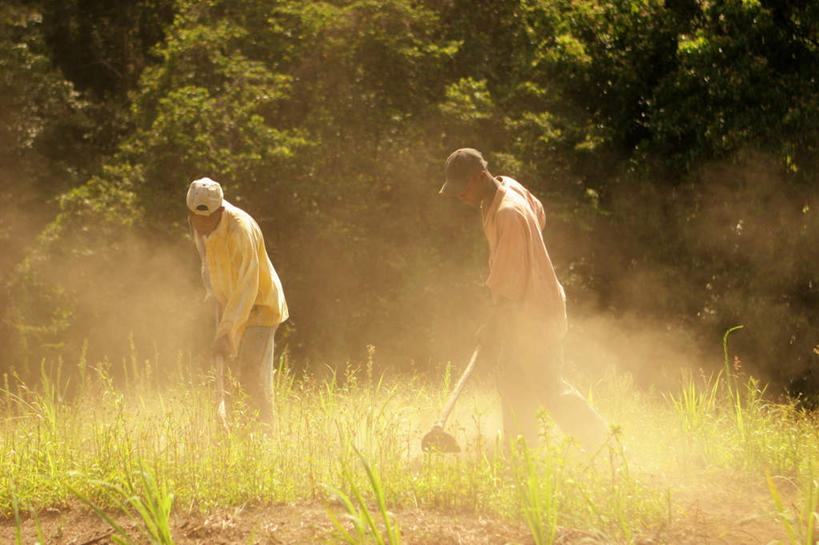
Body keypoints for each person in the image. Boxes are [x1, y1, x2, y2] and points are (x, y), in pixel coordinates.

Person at [439, 148, 608, 449]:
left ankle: (605, 443)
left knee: (547, 386)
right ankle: (521, 453)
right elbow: (539, 213)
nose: (460, 195)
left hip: (535, 312)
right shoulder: (505, 187)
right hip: (524, 308)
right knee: (513, 380)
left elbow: (510, 290)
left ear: (480, 177)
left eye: (463, 187)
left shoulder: (508, 213)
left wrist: (492, 326)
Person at [186, 177, 288, 422]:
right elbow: (207, 262)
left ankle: (263, 434)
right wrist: (212, 293)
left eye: (208, 219)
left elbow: (247, 285)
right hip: (231, 304)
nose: (202, 224)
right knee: (232, 376)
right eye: (197, 218)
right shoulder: (199, 225)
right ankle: (235, 430)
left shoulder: (239, 229)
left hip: (260, 306)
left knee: (252, 374)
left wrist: (227, 332)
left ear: (220, 210)